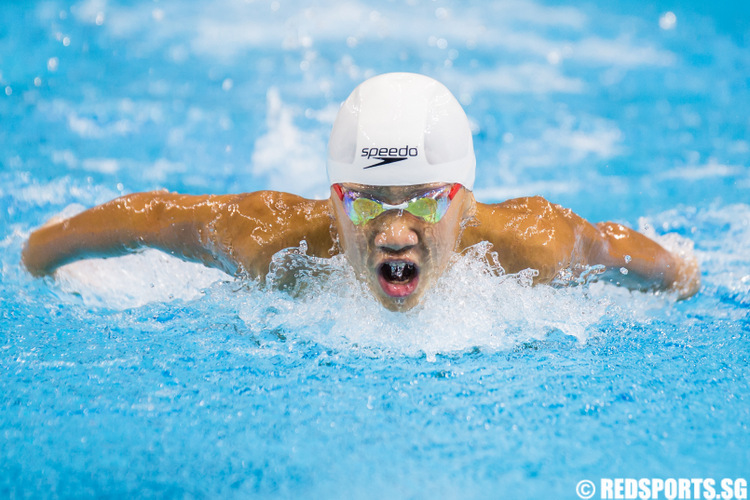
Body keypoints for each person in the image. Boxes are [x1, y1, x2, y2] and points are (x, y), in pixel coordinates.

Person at [22, 72, 700, 311]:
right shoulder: (271, 243)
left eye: (426, 199)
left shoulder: (533, 249)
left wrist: (681, 275)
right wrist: (39, 255)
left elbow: (613, 246)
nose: (395, 231)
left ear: (465, 200)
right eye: (369, 200)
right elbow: (156, 216)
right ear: (333, 196)